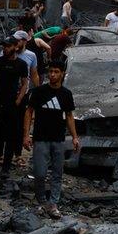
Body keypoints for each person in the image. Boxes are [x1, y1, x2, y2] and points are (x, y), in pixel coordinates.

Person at [24, 60, 79, 219]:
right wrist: (26, 135)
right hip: (41, 138)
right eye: (51, 71)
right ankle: (41, 201)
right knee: (40, 173)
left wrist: (75, 137)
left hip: (58, 139)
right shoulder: (40, 91)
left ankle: (53, 203)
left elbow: (69, 116)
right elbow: (29, 112)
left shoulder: (66, 94)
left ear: (62, 73)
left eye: (56, 72)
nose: (52, 75)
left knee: (57, 173)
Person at [0, 37, 28, 175]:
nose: (5, 48)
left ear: (15, 47)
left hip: (12, 103)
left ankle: (6, 165)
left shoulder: (21, 64)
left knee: (11, 135)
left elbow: (25, 83)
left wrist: (19, 99)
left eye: (8, 46)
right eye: (4, 46)